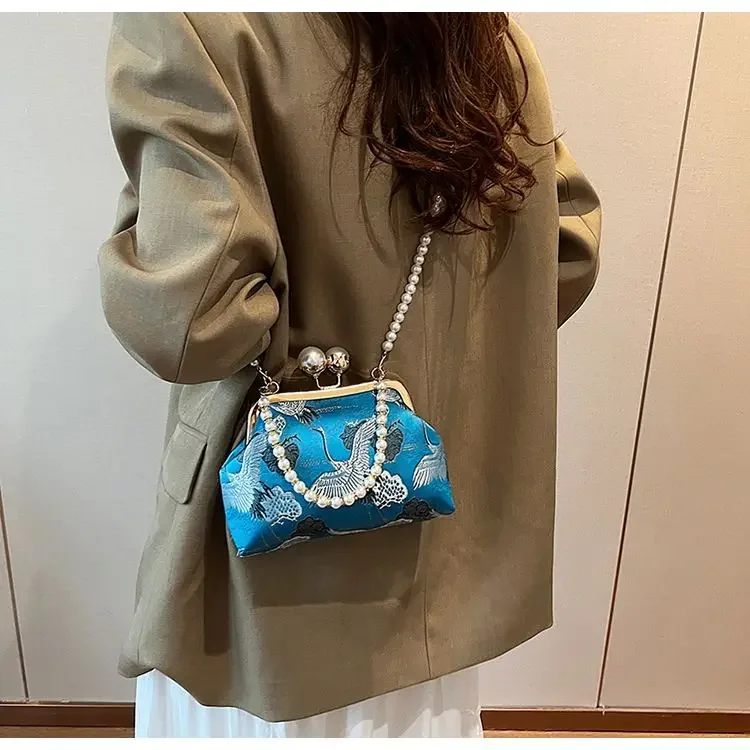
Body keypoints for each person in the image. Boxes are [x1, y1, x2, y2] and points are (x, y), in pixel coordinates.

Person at [99, 12, 601, 738]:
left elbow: (187, 319)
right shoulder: (483, 36)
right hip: (439, 560)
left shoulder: (190, 22)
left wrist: (140, 218)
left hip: (271, 600)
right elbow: (568, 248)